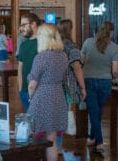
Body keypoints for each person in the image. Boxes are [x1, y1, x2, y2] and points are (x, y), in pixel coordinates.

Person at [27, 23, 68, 161]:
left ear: (44, 38)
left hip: (42, 96)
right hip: (58, 96)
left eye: (39, 34)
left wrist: (30, 98)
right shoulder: (63, 56)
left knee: (31, 133)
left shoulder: (41, 57)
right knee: (52, 138)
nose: (37, 37)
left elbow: (32, 84)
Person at [81, 21, 118, 152]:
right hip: (105, 82)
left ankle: (92, 137)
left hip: (88, 80)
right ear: (112, 32)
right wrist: (117, 80)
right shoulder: (115, 47)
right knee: (97, 110)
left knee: (94, 111)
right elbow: (115, 71)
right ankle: (98, 142)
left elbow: (81, 61)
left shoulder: (88, 42)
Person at [57, 19, 87, 153]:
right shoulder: (71, 47)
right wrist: (82, 87)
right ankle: (60, 145)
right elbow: (76, 67)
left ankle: (57, 143)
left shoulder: (55, 46)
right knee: (65, 113)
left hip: (55, 84)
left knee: (56, 113)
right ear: (70, 30)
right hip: (68, 85)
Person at [17, 13, 41, 111]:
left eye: (24, 25)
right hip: (24, 91)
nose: (21, 28)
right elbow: (20, 67)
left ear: (33, 24)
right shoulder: (23, 45)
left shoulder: (43, 43)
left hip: (39, 91)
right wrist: (20, 88)